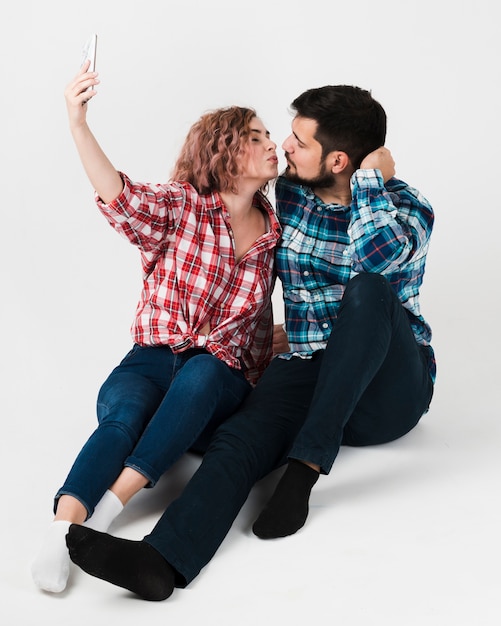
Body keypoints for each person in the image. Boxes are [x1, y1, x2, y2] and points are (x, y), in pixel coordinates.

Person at [64, 84, 435, 601]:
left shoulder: (407, 207)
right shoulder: (288, 196)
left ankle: (304, 471)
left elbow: (374, 259)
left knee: (368, 289)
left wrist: (369, 181)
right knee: (238, 438)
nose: (284, 145)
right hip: (309, 364)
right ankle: (163, 558)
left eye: (300, 141)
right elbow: (221, 236)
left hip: (389, 388)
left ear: (339, 160)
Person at [31, 61, 280, 594]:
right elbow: (119, 194)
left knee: (204, 374)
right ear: (226, 151)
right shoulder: (184, 206)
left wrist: (280, 345)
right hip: (150, 357)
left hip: (217, 378)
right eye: (256, 136)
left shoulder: (274, 233)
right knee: (124, 418)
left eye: (268, 135)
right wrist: (78, 123)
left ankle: (106, 515)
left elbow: (254, 326)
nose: (271, 143)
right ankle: (60, 532)